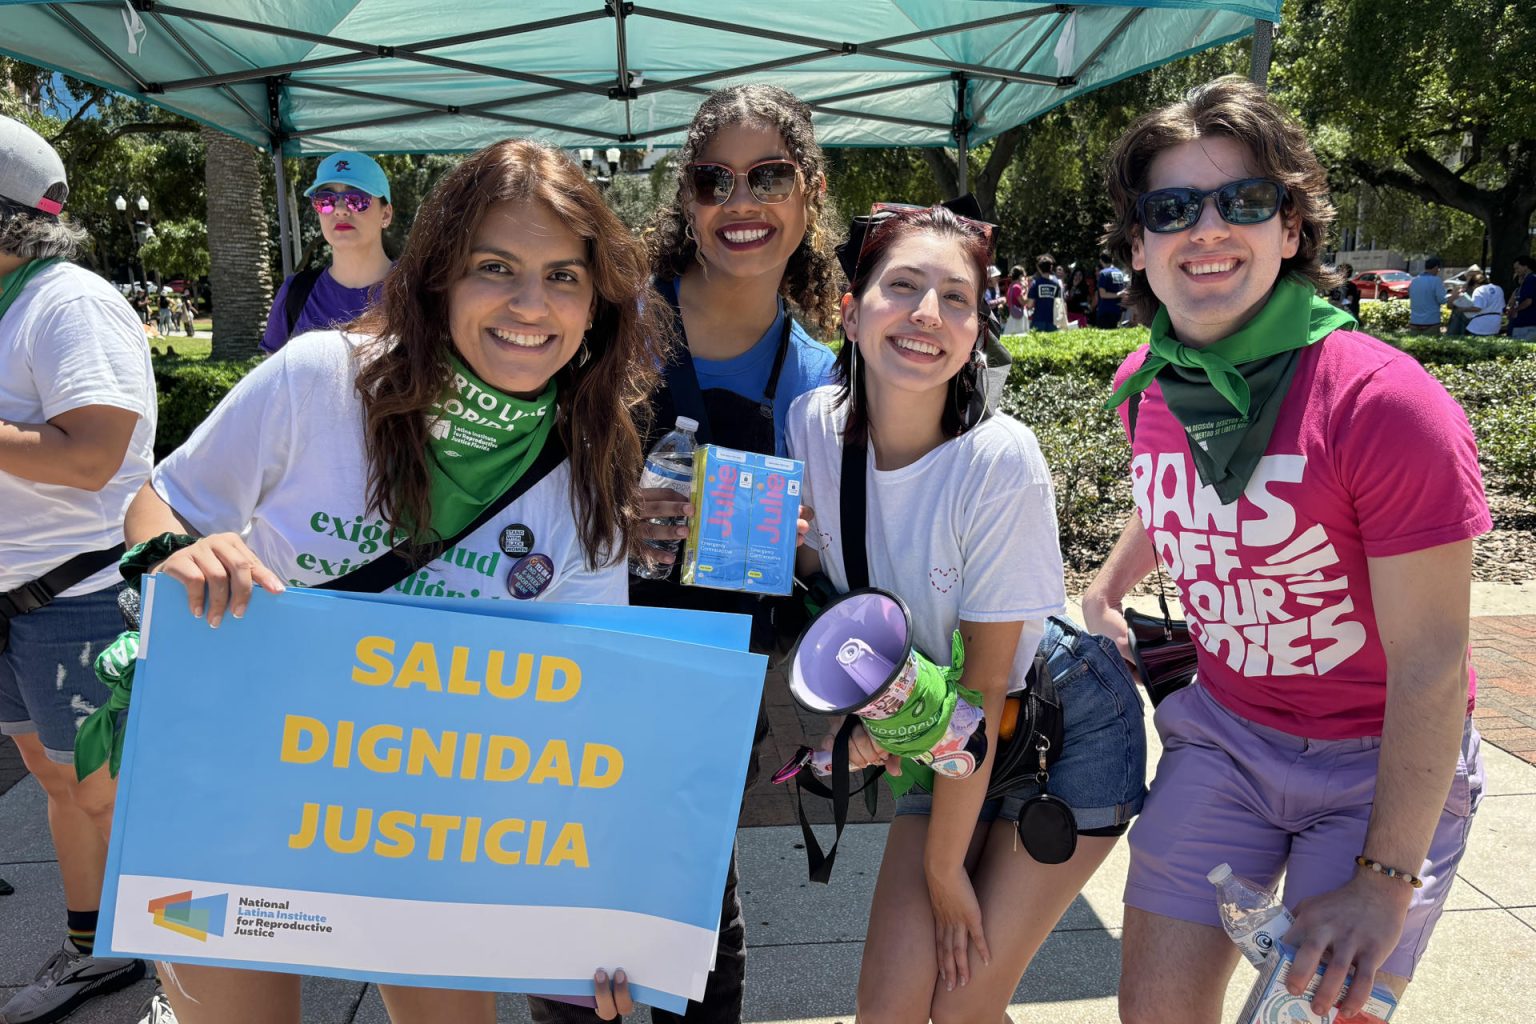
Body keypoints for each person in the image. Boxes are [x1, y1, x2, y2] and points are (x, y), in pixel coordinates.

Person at [118, 139, 663, 1024]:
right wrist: (174, 551)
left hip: (429, 824)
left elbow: (582, 705)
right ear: (439, 274)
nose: (533, 305)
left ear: (596, 300)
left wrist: (602, 912)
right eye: (497, 268)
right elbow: (160, 502)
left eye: (564, 276)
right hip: (247, 783)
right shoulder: (319, 378)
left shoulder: (586, 464)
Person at [1085, 77, 1490, 1024]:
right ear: (1139, 244)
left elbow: (1433, 662)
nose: (1209, 228)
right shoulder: (1150, 379)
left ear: (1293, 228)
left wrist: (1385, 883)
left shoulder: (1383, 405)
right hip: (1224, 739)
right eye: (1173, 207)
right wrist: (1106, 590)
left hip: (1377, 767)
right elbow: (1178, 494)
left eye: (1247, 201)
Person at [527, 82, 839, 1024]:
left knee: (698, 904)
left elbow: (841, 563)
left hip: (710, 681)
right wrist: (605, 509)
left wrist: (808, 544)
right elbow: (514, 471)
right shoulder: (611, 322)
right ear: (688, 201)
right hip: (578, 660)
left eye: (769, 176)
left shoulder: (822, 380)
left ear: (809, 193)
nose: (741, 203)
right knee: (567, 902)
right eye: (715, 180)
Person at [788, 203, 1144, 1023]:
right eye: (902, 286)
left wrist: (947, 876)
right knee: (890, 1011)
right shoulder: (813, 426)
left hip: (1061, 727)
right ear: (849, 309)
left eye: (956, 298)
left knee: (960, 1006)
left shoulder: (998, 458)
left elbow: (986, 693)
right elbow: (833, 592)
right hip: (938, 728)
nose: (926, 314)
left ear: (979, 326)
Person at [0, 114, 156, 1024]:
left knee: (110, 794)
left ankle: (177, 963)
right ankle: (96, 949)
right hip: (19, 604)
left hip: (80, 599)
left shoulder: (69, 303)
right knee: (57, 783)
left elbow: (95, 455)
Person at [260, 151, 394, 355]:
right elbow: (274, 382)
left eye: (356, 198)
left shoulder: (419, 291)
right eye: (326, 199)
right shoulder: (295, 293)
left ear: (385, 214)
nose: (340, 210)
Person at [1448, 270, 1504, 337]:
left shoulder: (1479, 290)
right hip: (1494, 322)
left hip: (1478, 323)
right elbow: (1449, 305)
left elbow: (1477, 308)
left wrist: (1462, 309)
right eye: (1469, 276)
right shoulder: (1498, 288)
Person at [1407, 255, 1446, 332]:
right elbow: (1442, 300)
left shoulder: (1414, 281)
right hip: (1431, 322)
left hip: (1414, 321)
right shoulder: (1436, 280)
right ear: (1436, 267)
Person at [1025, 253, 1062, 333]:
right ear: (1051, 267)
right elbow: (1059, 303)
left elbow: (1029, 304)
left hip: (1038, 320)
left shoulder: (1035, 283)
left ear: (1039, 268)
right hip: (1053, 321)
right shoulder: (1056, 284)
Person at [1095, 250, 1128, 328]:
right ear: (1112, 259)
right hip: (1117, 310)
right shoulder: (1119, 273)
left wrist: (1117, 294)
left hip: (1105, 311)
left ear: (1101, 261)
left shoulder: (1103, 273)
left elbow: (1103, 294)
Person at [1509, 254, 1536, 340]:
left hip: (1526, 323)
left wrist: (1515, 310)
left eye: (1517, 268)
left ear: (1526, 266)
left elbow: (1528, 301)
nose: (1516, 271)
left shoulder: (1530, 279)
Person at [1003, 265, 1028, 334]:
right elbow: (1023, 302)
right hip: (1019, 316)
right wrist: (1027, 290)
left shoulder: (1011, 286)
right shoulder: (1017, 287)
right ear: (1020, 276)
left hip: (1014, 315)